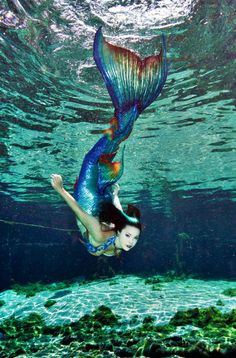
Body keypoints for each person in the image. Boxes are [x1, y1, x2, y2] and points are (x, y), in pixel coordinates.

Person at [51, 28, 167, 256]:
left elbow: (81, 213)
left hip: (92, 202)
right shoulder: (106, 241)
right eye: (132, 237)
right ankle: (129, 108)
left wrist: (60, 189)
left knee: (108, 148)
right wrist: (114, 195)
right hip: (96, 196)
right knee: (94, 158)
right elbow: (90, 214)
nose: (131, 242)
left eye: (130, 237)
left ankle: (130, 110)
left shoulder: (111, 246)